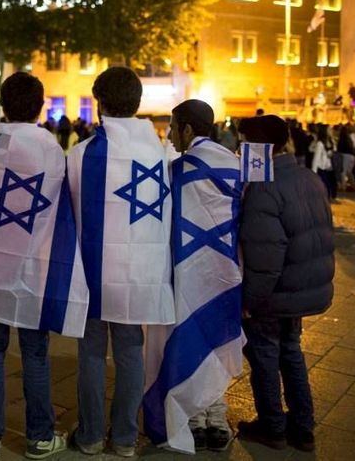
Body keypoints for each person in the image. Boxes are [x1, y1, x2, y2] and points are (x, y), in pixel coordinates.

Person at [0, 72, 88, 460]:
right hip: (36, 269)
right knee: (35, 354)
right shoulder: (53, 151)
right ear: (40, 106)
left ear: (3, 105)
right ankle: (38, 436)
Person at [67, 67, 175, 457]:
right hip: (142, 270)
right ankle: (126, 438)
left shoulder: (81, 156)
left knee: (92, 352)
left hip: (95, 270)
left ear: (101, 103)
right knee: (131, 351)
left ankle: (92, 435)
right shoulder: (159, 153)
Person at [143, 99, 243, 453]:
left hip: (188, 269)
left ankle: (195, 419)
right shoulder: (235, 165)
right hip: (225, 270)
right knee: (216, 340)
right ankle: (216, 416)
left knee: (189, 339)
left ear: (187, 129)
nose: (169, 135)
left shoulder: (178, 169)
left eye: (172, 126)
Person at [236, 114, 335, 453]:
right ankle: (303, 428)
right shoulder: (308, 177)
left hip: (275, 293)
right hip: (302, 288)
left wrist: (251, 299)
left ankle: (272, 425)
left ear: (258, 147)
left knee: (264, 354)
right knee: (291, 352)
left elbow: (265, 256)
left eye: (242, 140)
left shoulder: (265, 188)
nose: (238, 148)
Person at [310, 125, 336, 202]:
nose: (331, 131)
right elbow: (316, 159)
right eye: (329, 130)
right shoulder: (320, 143)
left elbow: (334, 149)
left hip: (329, 168)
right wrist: (313, 172)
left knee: (329, 186)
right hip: (322, 169)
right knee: (324, 187)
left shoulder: (331, 141)